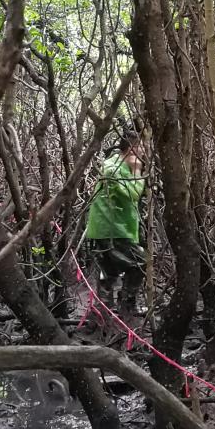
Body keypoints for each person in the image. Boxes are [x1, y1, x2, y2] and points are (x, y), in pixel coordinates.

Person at [81, 128, 146, 318]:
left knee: (108, 271)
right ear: (131, 149)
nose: (143, 150)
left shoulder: (118, 165)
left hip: (112, 228)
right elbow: (133, 195)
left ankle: (104, 314)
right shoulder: (114, 168)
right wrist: (137, 171)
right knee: (139, 264)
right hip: (110, 229)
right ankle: (126, 308)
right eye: (141, 146)